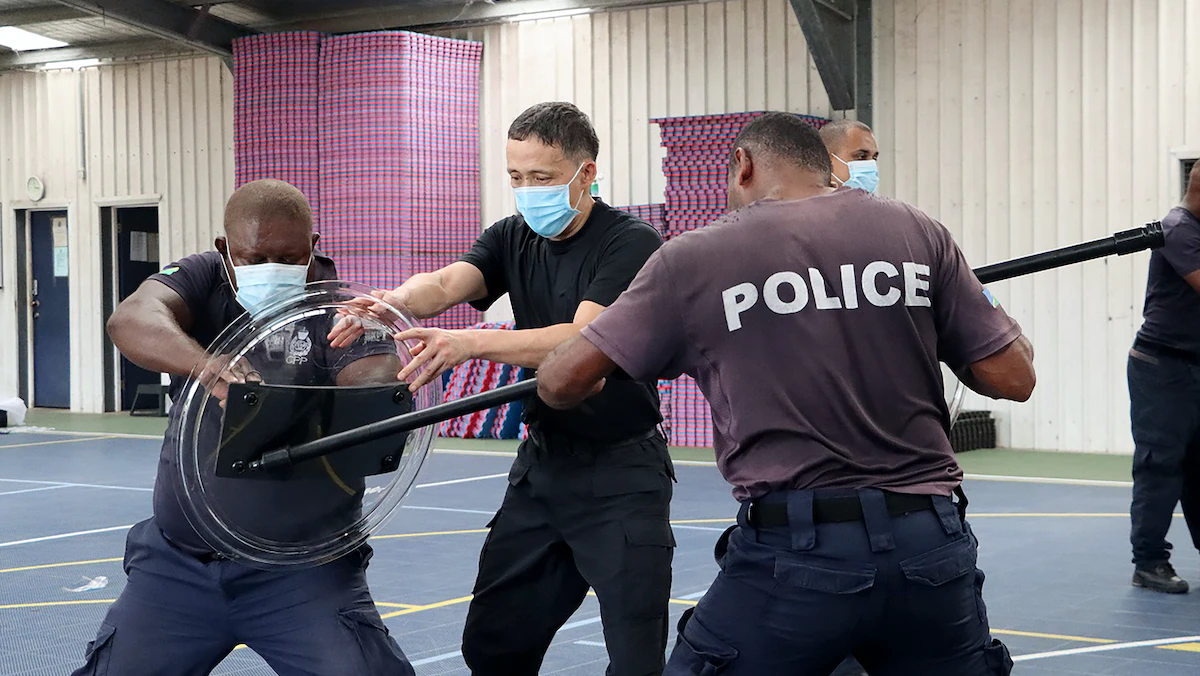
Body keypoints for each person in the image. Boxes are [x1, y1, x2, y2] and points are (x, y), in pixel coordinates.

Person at [537, 112, 1036, 675]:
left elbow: (559, 382)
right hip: (930, 546)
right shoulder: (917, 231)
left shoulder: (695, 258)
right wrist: (940, 317)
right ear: (825, 167)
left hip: (797, 556)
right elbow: (1013, 377)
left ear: (743, 165)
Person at [328, 101, 673, 675]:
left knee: (636, 659)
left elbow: (584, 337)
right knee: (494, 644)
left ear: (586, 173)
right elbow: (446, 283)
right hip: (542, 469)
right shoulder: (512, 236)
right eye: (516, 176)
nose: (527, 190)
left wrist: (469, 343)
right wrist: (392, 302)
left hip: (621, 474)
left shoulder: (630, 243)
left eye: (541, 177)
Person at [72, 179, 415, 676]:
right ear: (225, 249)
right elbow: (131, 319)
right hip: (177, 567)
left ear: (313, 246)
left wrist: (376, 387)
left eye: (289, 257)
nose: (271, 268)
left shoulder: (340, 307)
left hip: (304, 574)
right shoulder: (202, 277)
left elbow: (376, 380)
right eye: (255, 258)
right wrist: (208, 365)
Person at [1128, 160, 1200, 594]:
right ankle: (1149, 561)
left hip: (1194, 365)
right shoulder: (1177, 230)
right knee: (1161, 466)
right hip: (1162, 368)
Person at [819, 119, 880, 193]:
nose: (871, 165)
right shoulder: (809, 199)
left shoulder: (875, 201)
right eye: (861, 156)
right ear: (827, 162)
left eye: (874, 158)